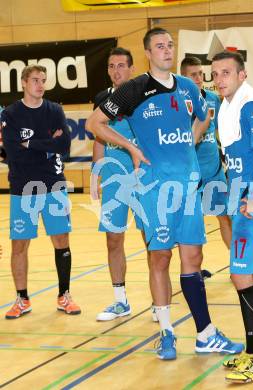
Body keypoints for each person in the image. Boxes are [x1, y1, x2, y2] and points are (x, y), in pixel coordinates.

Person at [86, 27, 243, 360]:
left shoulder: (187, 86)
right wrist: (129, 146)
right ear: (148, 52)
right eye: (160, 46)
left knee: (194, 259)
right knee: (161, 257)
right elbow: (94, 124)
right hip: (155, 188)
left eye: (170, 45)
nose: (167, 50)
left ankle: (205, 334)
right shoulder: (133, 89)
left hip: (186, 187)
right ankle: (167, 332)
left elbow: (204, 117)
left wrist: (191, 141)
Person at [211, 51, 253, 384]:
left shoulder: (250, 104)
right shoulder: (227, 107)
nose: (220, 79)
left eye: (226, 73)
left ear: (242, 75)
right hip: (243, 198)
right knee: (252, 275)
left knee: (241, 275)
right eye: (216, 74)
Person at [1, 65, 80, 319]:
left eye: (43, 80)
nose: (40, 85)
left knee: (61, 241)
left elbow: (65, 146)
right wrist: (47, 146)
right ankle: (22, 299)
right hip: (22, 186)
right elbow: (12, 153)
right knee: (19, 245)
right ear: (24, 83)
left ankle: (64, 295)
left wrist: (30, 144)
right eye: (35, 80)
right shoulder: (11, 114)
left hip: (54, 184)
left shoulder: (54, 110)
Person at [90, 47, 160, 321]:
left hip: (143, 177)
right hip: (114, 180)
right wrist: (96, 174)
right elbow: (98, 136)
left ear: (132, 68)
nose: (116, 71)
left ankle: (158, 300)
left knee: (150, 239)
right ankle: (120, 301)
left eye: (121, 65)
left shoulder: (144, 97)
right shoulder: (101, 99)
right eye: (111, 66)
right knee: (113, 239)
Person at [180, 56, 232, 249]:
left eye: (201, 74)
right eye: (193, 75)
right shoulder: (177, 102)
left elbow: (223, 131)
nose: (199, 78)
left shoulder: (212, 100)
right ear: (182, 77)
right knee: (195, 225)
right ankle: (196, 270)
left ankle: (237, 263)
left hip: (214, 172)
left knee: (225, 217)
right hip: (191, 174)